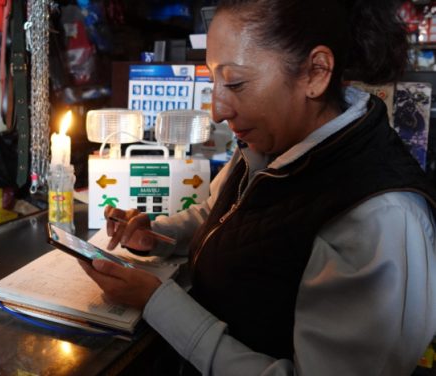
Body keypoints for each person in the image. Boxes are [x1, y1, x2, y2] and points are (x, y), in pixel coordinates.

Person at [79, 0, 436, 375]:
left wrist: (156, 301)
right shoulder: (268, 145)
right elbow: (220, 213)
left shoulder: (379, 219)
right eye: (213, 81)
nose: (217, 110)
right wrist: (157, 235)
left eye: (235, 83)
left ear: (316, 72)